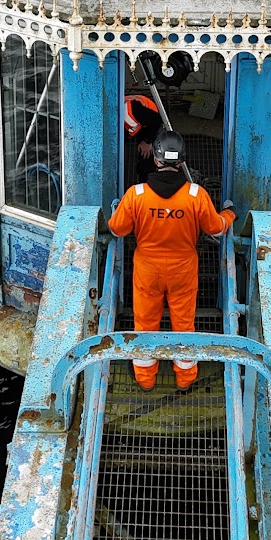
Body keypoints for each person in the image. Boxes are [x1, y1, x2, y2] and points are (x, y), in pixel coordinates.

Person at [106, 130, 236, 391]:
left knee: (144, 324)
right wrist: (229, 213)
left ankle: (145, 380)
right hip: (183, 269)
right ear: (181, 163)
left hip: (147, 269)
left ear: (155, 160)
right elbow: (216, 228)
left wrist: (118, 209)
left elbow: (116, 229)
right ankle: (185, 378)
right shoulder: (196, 195)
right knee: (184, 324)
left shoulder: (136, 194)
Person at [122, 92, 163, 186]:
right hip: (139, 124)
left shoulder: (133, 109)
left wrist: (147, 141)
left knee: (146, 155)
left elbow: (156, 120)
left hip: (151, 121)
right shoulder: (118, 124)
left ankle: (147, 184)